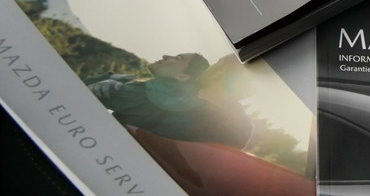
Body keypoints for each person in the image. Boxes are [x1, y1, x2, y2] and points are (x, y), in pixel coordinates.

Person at [85, 52, 253, 148]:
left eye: (219, 62)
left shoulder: (163, 94)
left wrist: (114, 81)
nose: (166, 56)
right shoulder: (240, 129)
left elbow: (89, 91)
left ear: (220, 73)